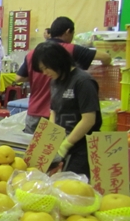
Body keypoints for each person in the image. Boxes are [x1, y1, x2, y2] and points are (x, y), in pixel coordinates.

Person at [16, 16, 111, 133]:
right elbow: (106, 57)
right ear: (68, 31)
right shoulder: (72, 50)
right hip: (57, 115)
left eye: (46, 69)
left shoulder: (33, 53)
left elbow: (19, 77)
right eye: (42, 69)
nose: (45, 73)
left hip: (37, 112)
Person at [31, 41, 101, 178]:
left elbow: (89, 120)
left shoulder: (83, 81)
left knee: (74, 188)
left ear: (57, 61)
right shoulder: (55, 81)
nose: (45, 73)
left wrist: (66, 144)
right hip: (61, 145)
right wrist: (50, 137)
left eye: (46, 68)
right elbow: (54, 111)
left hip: (82, 148)